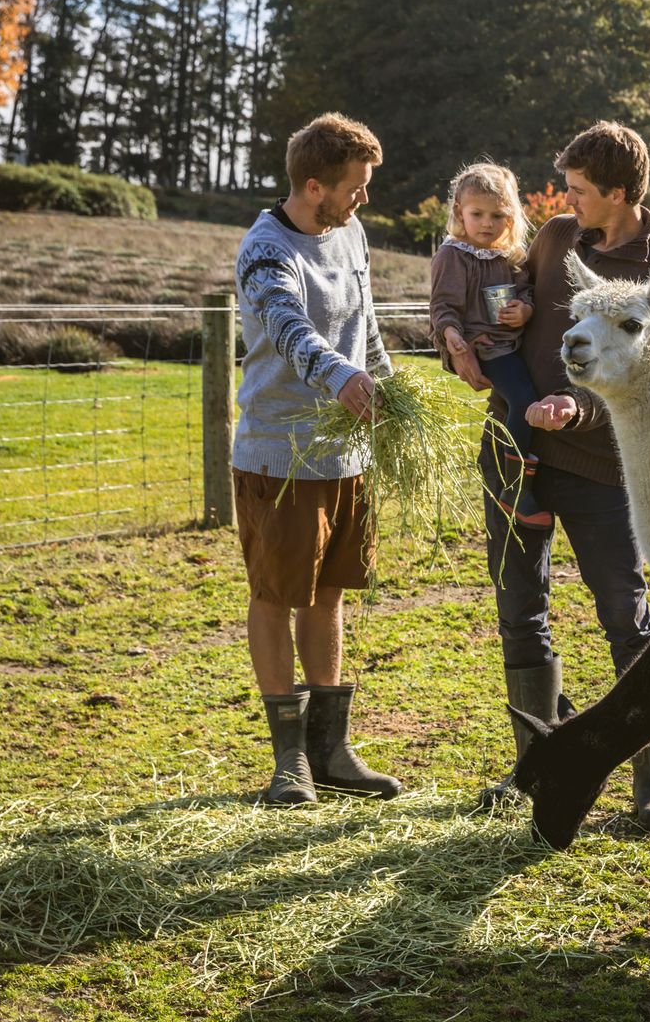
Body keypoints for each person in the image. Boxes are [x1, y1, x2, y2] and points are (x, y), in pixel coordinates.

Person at [463, 120, 650, 831]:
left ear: (619, 193)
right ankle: (537, 764)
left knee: (627, 619)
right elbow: (508, 310)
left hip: (598, 469)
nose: (567, 200)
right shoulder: (559, 238)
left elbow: (643, 377)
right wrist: (463, 343)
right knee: (519, 613)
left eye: (581, 190)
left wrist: (578, 410)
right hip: (515, 454)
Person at [231, 111, 403, 807]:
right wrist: (340, 379)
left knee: (328, 594)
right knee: (277, 596)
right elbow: (289, 328)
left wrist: (387, 391)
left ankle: (332, 751)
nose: (364, 199)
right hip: (280, 454)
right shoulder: (265, 251)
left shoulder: (349, 233)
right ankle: (288, 761)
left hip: (345, 453)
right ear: (312, 186)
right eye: (355, 188)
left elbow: (366, 325)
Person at [428, 163, 549, 527]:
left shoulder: (510, 255)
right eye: (477, 214)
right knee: (523, 401)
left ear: (511, 217)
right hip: (489, 347)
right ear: (459, 213)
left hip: (514, 341)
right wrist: (452, 336)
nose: (486, 224)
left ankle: (518, 473)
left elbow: (526, 289)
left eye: (498, 215)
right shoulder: (453, 255)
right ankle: (514, 487)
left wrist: (524, 309)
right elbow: (443, 306)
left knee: (528, 398)